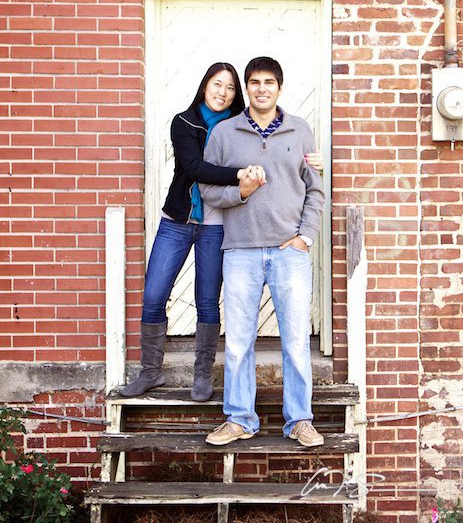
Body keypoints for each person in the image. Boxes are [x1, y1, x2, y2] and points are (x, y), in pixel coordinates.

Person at [122, 63, 324, 402]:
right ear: (205, 86)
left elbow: (307, 181)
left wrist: (311, 164)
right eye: (218, 85)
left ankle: (202, 377)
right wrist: (243, 176)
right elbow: (195, 169)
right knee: (154, 293)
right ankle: (150, 371)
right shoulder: (190, 124)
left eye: (229, 88)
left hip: (217, 223)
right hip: (179, 219)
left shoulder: (259, 127)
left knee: (207, 300)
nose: (223, 92)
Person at [200, 56, 326, 447]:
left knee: (295, 341)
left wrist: (305, 237)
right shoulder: (224, 133)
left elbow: (316, 190)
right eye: (254, 82)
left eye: (269, 82)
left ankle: (300, 420)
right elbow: (207, 189)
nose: (261, 89)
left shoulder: (299, 130)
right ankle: (240, 419)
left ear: (279, 88)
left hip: (290, 252)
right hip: (240, 250)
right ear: (247, 88)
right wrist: (242, 191)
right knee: (238, 341)